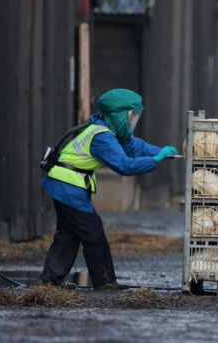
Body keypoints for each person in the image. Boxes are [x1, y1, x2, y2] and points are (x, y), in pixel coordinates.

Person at [39, 88, 179, 290]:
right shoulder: (102, 137)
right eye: (133, 115)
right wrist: (155, 160)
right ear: (120, 113)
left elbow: (133, 146)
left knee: (68, 234)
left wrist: (162, 152)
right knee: (93, 233)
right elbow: (124, 165)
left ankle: (51, 281)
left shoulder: (105, 130)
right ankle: (104, 281)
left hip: (64, 185)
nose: (134, 120)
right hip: (68, 186)